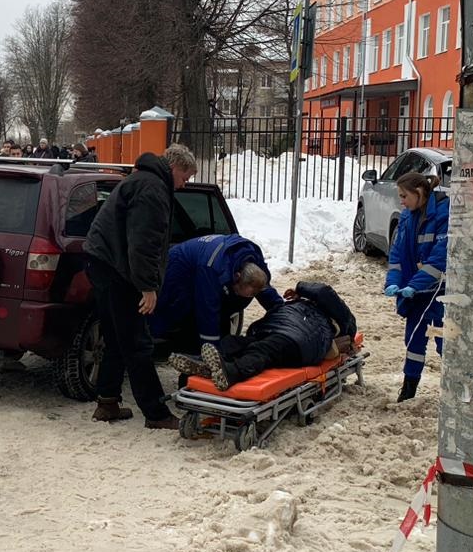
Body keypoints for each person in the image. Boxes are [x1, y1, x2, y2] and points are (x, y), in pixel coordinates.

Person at [84, 144, 198, 430]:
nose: (184, 185)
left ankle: (107, 402)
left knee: (116, 337)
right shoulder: (153, 191)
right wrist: (148, 288)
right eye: (185, 178)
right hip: (118, 271)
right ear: (174, 169)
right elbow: (143, 244)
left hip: (102, 264)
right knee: (137, 343)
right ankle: (156, 413)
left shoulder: (141, 180)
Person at [169, 282, 358, 390]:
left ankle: (231, 373)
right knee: (234, 342)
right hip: (276, 331)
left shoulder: (336, 317)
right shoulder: (294, 308)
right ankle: (203, 363)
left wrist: (300, 287)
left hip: (300, 341)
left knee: (263, 350)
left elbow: (323, 291)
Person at [148, 235, 284, 353]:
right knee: (181, 312)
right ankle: (155, 343)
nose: (250, 298)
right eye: (247, 295)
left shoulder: (256, 263)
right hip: (179, 266)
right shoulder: (212, 269)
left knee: (221, 316)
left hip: (206, 261)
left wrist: (282, 312)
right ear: (236, 277)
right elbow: (207, 310)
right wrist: (211, 350)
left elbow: (264, 289)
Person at [384, 172, 449, 402]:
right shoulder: (407, 216)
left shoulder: (443, 212)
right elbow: (397, 254)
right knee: (413, 342)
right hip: (418, 297)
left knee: (446, 342)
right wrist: (393, 281)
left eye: (404, 196)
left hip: (442, 296)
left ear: (419, 193)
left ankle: (454, 394)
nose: (401, 201)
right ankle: (408, 391)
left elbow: (440, 259)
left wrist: (413, 284)